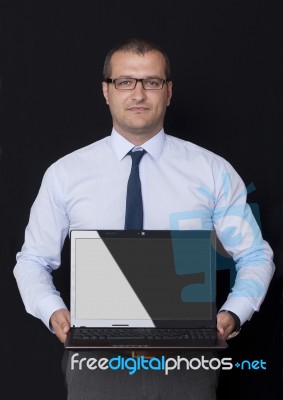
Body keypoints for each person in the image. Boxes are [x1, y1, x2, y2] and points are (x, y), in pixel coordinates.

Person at [14, 38, 275, 400]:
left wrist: (233, 314)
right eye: (125, 82)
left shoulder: (212, 171)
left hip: (187, 360)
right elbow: (32, 260)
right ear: (106, 91)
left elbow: (255, 255)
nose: (138, 93)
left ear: (168, 92)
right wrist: (53, 311)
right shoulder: (65, 174)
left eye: (152, 82)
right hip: (95, 360)